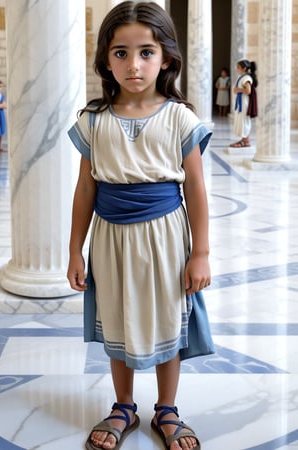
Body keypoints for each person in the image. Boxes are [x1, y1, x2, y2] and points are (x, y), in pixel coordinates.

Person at [67, 2, 214, 449]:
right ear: (105, 59)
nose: (133, 65)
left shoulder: (179, 118)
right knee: (118, 319)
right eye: (121, 53)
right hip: (110, 240)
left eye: (146, 52)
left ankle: (166, 409)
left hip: (166, 239)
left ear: (166, 57)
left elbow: (195, 189)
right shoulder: (93, 121)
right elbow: (85, 190)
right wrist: (75, 249)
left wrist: (201, 253)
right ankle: (124, 405)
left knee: (169, 320)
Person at [230, 59, 258, 148]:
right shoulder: (243, 77)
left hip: (244, 103)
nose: (236, 69)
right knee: (241, 121)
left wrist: (238, 90)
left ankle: (246, 141)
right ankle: (243, 139)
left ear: (244, 68)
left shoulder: (246, 78)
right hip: (241, 102)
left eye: (238, 67)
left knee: (244, 121)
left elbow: (248, 91)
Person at [0, 80, 7, 152]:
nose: (0, 88)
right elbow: (2, 105)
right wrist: (0, 105)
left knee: (0, 130)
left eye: (1, 87)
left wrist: (1, 105)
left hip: (0, 115)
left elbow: (4, 105)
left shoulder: (2, 96)